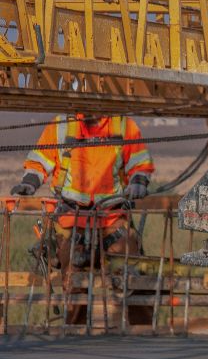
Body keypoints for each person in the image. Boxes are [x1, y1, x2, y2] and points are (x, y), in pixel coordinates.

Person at [11, 114, 153, 325]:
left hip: (112, 217)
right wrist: (30, 182)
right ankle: (75, 333)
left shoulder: (122, 125)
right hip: (72, 218)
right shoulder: (62, 126)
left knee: (132, 272)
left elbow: (139, 162)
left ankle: (142, 332)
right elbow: (40, 159)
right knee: (73, 277)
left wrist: (138, 181)